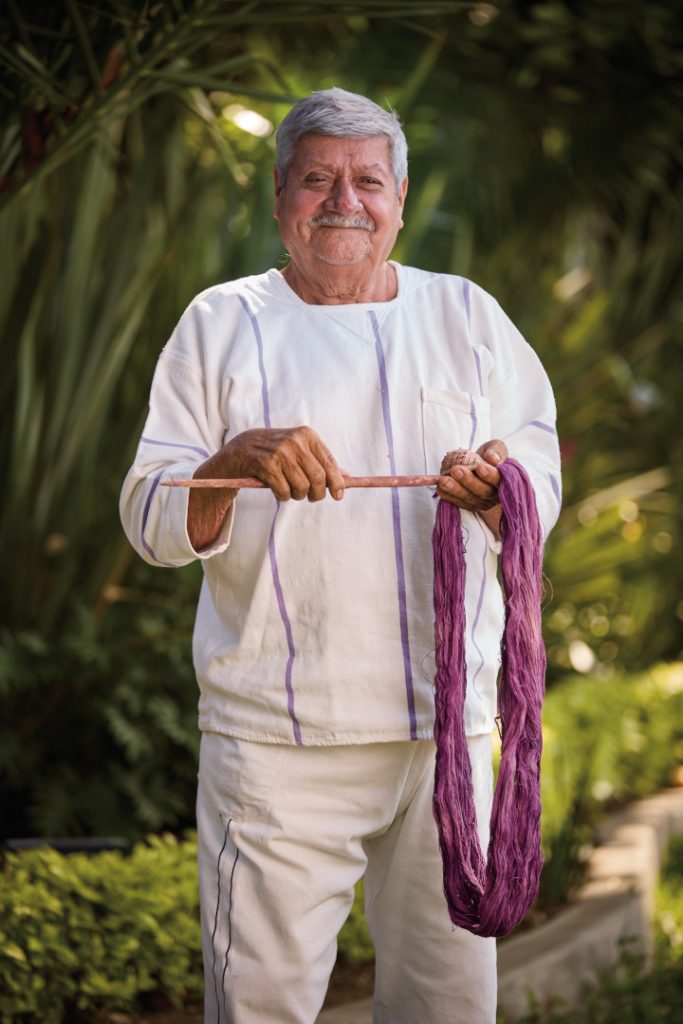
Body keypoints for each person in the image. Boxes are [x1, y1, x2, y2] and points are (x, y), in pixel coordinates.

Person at [120, 87, 561, 1024]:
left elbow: (537, 459)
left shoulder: (467, 316)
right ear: (279, 195)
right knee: (259, 1007)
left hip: (446, 732)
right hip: (281, 744)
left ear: (399, 198)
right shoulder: (220, 320)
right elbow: (148, 513)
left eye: (366, 180)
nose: (342, 201)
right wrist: (232, 462)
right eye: (317, 178)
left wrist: (497, 484)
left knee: (448, 1007)